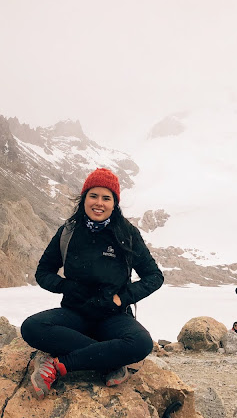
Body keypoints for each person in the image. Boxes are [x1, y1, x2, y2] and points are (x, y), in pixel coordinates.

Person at [21, 167, 164, 399]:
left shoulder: (126, 233)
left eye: (106, 198)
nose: (99, 203)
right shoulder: (69, 231)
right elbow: (43, 272)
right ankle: (108, 360)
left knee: (141, 343)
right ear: (84, 198)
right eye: (93, 196)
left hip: (113, 316)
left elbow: (154, 276)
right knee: (31, 327)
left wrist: (122, 298)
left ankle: (58, 366)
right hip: (75, 314)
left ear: (114, 203)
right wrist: (66, 286)